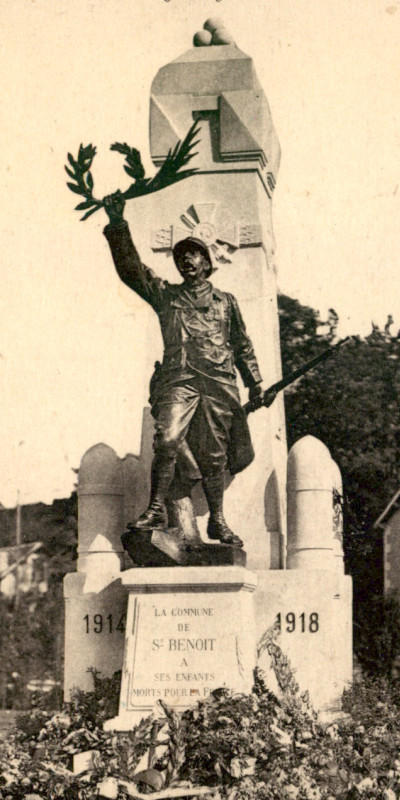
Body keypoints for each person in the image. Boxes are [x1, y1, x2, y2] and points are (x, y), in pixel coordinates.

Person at [101, 190, 265, 547]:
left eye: (193, 254)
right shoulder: (166, 295)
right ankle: (156, 507)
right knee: (168, 439)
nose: (186, 260)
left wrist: (255, 383)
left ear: (207, 262)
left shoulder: (226, 302)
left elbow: (242, 344)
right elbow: (131, 271)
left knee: (215, 456)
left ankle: (218, 521)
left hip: (219, 383)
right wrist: (117, 224)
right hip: (180, 380)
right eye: (181, 256)